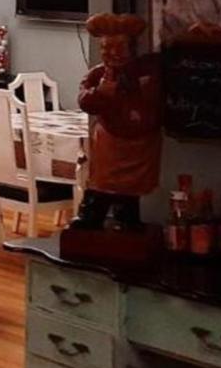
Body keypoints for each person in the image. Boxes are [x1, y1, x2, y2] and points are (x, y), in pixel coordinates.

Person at [69, 13, 163, 230]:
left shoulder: (146, 71)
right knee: (101, 182)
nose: (113, 53)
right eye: (106, 48)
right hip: (109, 141)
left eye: (119, 47)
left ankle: (127, 218)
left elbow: (155, 99)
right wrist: (103, 90)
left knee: (132, 187)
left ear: (132, 49)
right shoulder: (98, 75)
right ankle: (91, 215)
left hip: (141, 143)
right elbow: (85, 101)